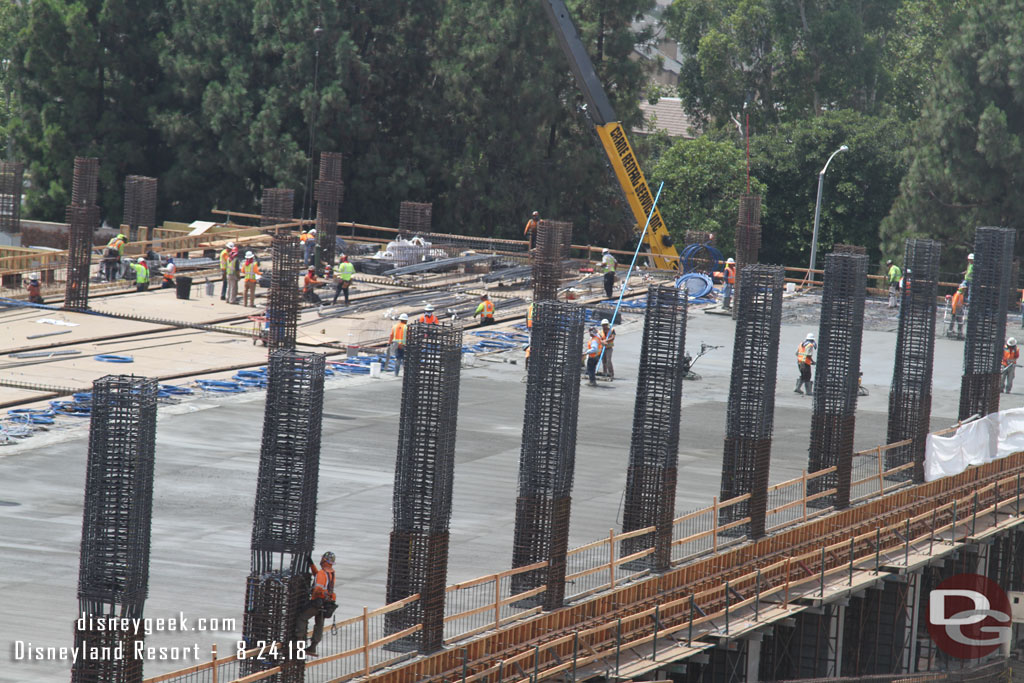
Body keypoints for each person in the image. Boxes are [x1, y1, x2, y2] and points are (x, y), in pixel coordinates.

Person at [293, 551, 337, 656]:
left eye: (323, 559)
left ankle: (299, 642)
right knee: (319, 624)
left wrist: (311, 591)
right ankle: (313, 647)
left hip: (318, 602)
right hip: (327, 604)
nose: (321, 561)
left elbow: (318, 588)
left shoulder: (322, 573)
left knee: (302, 618)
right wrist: (311, 564)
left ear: (325, 561)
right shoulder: (331, 573)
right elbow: (318, 576)